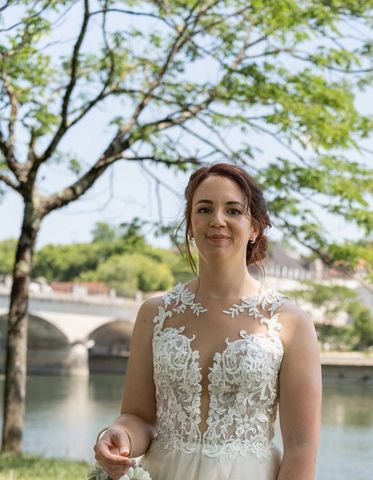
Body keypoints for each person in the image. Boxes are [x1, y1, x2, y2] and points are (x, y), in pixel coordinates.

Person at [92, 163, 322, 479]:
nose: (217, 220)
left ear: (254, 226)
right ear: (190, 224)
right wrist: (119, 435)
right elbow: (139, 416)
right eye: (204, 209)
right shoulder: (155, 314)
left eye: (233, 210)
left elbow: (301, 447)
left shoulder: (291, 322)